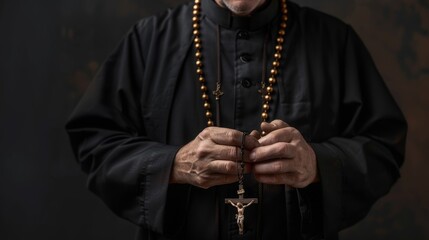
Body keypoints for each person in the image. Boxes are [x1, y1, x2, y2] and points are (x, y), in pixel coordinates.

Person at [66, 0, 407, 239]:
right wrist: (174, 165)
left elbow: (383, 147)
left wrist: (317, 165)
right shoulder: (149, 40)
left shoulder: (335, 42)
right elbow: (95, 143)